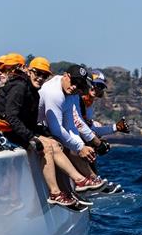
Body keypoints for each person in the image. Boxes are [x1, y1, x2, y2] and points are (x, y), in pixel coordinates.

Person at [0, 56, 91, 207]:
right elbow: (11, 116)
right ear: (29, 71)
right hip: (2, 131)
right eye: (37, 73)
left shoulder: (34, 93)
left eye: (44, 76)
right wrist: (31, 138)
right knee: (46, 147)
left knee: (54, 143)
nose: (40, 78)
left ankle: (76, 183)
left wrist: (45, 134)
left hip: (15, 130)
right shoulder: (20, 87)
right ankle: (56, 193)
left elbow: (30, 123)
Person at [37, 64, 106, 192]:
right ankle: (75, 185)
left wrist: (81, 146)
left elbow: (70, 125)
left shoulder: (70, 93)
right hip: (35, 126)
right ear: (65, 76)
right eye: (73, 82)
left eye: (79, 85)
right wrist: (80, 147)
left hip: (42, 127)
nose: (75, 87)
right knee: (61, 146)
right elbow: (56, 129)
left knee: (74, 145)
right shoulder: (54, 93)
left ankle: (82, 184)